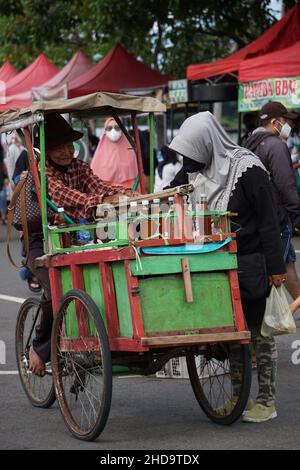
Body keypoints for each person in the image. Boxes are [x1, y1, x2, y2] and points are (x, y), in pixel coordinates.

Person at [169, 111, 286, 423]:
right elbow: (171, 192)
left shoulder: (247, 169)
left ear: (208, 144)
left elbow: (268, 221)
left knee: (259, 333)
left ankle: (266, 400)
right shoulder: (197, 168)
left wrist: (277, 268)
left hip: (251, 261)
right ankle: (238, 397)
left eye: (192, 153)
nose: (187, 161)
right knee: (232, 332)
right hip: (215, 263)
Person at [27, 114, 133, 377]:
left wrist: (122, 193)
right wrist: (104, 199)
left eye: (68, 145)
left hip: (76, 238)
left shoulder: (80, 167)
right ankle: (38, 348)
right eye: (59, 146)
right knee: (56, 287)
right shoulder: (42, 173)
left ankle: (91, 342)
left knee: (101, 278)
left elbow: (98, 186)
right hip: (41, 243)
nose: (66, 151)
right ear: (47, 149)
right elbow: (70, 196)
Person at [245, 102, 300, 301]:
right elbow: (285, 184)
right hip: (277, 215)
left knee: (287, 262)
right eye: (285, 121)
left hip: (257, 213)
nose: (289, 126)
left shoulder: (249, 143)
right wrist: (295, 213)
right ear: (275, 122)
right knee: (279, 264)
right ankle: (267, 315)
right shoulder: (276, 145)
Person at [90, 117, 138, 189]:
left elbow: (135, 172)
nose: (113, 131)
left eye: (117, 127)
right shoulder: (99, 154)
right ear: (105, 130)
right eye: (109, 128)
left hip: (129, 190)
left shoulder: (130, 151)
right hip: (107, 191)